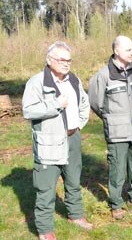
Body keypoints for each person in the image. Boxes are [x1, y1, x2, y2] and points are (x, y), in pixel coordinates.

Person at [22, 41, 93, 240]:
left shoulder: (74, 80)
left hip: (72, 138)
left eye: (69, 60)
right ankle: (45, 230)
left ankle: (76, 215)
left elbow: (84, 103)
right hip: (49, 143)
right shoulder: (36, 82)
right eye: (62, 60)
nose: (66, 64)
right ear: (49, 60)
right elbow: (28, 110)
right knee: (45, 188)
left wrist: (78, 125)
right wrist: (56, 104)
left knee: (73, 181)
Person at [88, 35, 132, 220]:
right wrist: (111, 118)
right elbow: (96, 103)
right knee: (117, 168)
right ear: (116, 51)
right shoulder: (103, 75)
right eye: (128, 49)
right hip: (117, 131)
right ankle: (116, 203)